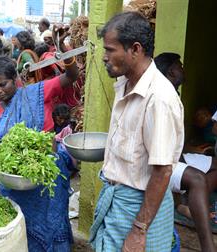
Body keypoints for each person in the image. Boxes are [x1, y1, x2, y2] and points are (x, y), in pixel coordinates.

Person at [0, 25, 79, 252]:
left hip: (48, 175)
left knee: (53, 223)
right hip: (17, 183)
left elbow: (72, 76)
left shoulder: (39, 92)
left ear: (15, 78)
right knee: (25, 230)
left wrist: (63, 46)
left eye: (2, 84)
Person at [89, 12, 184, 251]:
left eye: (110, 50)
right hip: (119, 201)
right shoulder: (125, 84)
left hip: (138, 208)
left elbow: (162, 172)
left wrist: (139, 230)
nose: (104, 57)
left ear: (135, 49)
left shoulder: (159, 99)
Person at [155, 52, 217, 251]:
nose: (183, 69)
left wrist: (191, 150)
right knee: (196, 178)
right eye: (180, 66)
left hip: (174, 157)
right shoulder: (160, 97)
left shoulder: (173, 94)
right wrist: (182, 160)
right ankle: (208, 246)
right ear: (172, 71)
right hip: (160, 161)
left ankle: (188, 205)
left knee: (214, 165)